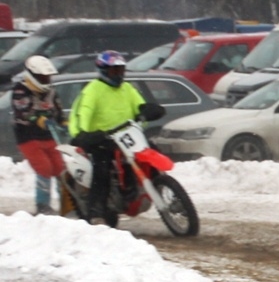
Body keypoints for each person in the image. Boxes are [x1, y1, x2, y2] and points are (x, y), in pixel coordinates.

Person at [68, 50, 164, 224]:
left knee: (153, 150)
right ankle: (95, 212)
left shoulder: (127, 88)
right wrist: (83, 134)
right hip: (101, 138)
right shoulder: (93, 90)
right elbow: (84, 114)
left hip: (128, 134)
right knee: (102, 169)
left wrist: (149, 109)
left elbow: (139, 104)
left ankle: (161, 185)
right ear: (104, 71)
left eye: (121, 70)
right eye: (114, 71)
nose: (119, 75)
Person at [10, 55, 65, 215]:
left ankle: (68, 203)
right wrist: (36, 118)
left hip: (48, 135)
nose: (46, 80)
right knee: (44, 168)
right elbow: (21, 112)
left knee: (60, 168)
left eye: (47, 77)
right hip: (27, 136)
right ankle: (42, 205)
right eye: (42, 77)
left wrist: (62, 121)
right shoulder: (21, 90)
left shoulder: (51, 91)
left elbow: (57, 108)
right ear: (32, 76)